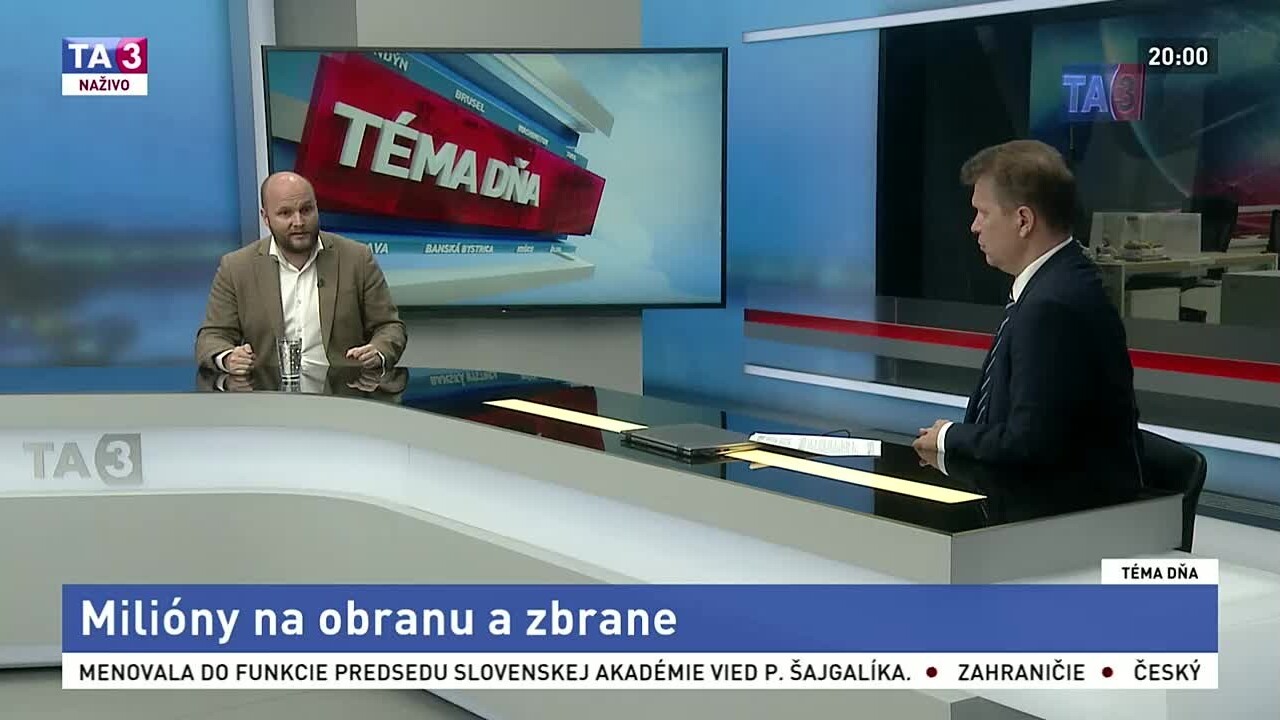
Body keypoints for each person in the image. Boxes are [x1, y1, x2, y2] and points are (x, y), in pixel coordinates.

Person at [912, 140, 1143, 489]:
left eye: (983, 213)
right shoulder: (1057, 282)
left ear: (1023, 220)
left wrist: (949, 437)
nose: (974, 226)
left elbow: (1030, 442)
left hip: (1065, 510)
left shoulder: (1053, 306)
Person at [195, 172, 406, 375]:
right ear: (265, 218)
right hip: (268, 392)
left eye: (306, 210)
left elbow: (390, 327)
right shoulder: (236, 267)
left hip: (343, 391)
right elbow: (211, 338)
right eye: (285, 213)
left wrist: (378, 351)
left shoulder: (356, 258)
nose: (298, 222)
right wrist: (228, 358)